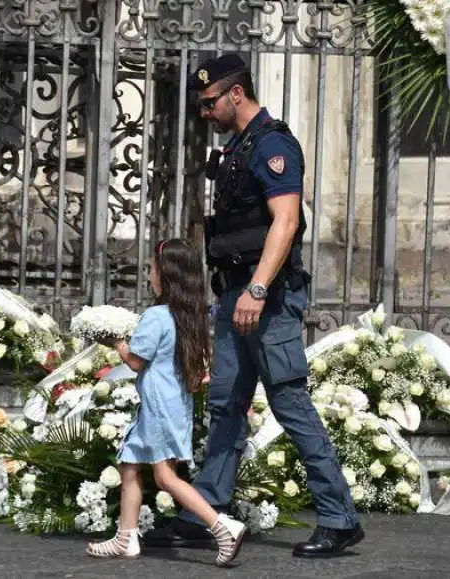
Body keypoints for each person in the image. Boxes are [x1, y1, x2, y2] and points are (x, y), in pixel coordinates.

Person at [142, 54, 365, 558]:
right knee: (225, 405)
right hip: (235, 295)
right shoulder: (240, 146)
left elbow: (285, 221)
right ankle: (209, 511)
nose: (204, 112)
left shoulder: (274, 144)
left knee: (289, 402)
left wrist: (258, 290)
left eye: (208, 102)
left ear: (235, 94)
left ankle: (339, 517)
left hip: (268, 299)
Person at [86, 238, 248, 566]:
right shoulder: (189, 316)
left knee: (165, 477)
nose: (149, 274)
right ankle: (125, 538)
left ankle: (222, 526)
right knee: (130, 465)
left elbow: (135, 361)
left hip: (159, 406)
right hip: (173, 404)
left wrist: (115, 341)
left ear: (166, 274)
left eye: (151, 268)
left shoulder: (157, 316)